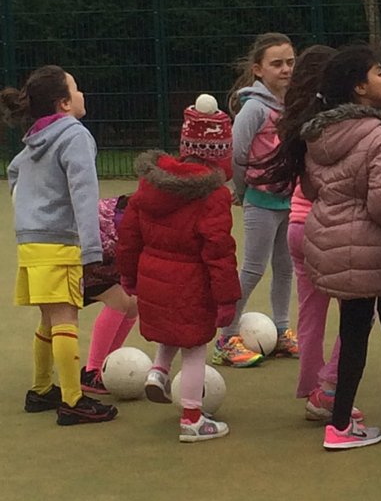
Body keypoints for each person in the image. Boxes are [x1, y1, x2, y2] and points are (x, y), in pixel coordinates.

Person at [299, 45, 381, 451]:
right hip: (358, 240)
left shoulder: (318, 134)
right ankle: (339, 426)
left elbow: (310, 188)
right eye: (378, 72)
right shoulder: (378, 136)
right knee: (354, 331)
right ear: (359, 88)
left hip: (328, 237)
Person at [117, 99, 241, 443]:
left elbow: (129, 233)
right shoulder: (213, 195)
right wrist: (227, 298)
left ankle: (157, 372)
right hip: (191, 281)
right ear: (220, 154)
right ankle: (192, 418)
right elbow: (218, 249)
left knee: (174, 330)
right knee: (196, 347)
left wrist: (128, 275)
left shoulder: (153, 183)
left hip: (152, 275)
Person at [2, 65, 117, 424]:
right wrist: (92, 248)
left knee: (49, 318)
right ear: (64, 103)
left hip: (31, 243)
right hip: (58, 243)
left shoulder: (36, 136)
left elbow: (15, 171)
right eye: (77, 89)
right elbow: (84, 194)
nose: (83, 95)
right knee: (66, 317)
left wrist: (27, 209)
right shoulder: (74, 135)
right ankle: (72, 400)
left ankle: (40, 390)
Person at [261, 43, 358, 425]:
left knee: (311, 311)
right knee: (357, 314)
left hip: (297, 228)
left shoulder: (295, 119)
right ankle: (329, 387)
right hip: (327, 228)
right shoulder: (337, 124)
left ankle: (311, 387)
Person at [213, 32, 298, 368]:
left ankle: (281, 331)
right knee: (251, 268)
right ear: (258, 70)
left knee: (285, 267)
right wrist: (242, 188)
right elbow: (237, 152)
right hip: (260, 201)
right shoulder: (253, 108)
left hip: (288, 200)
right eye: (276, 64)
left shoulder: (292, 104)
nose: (286, 69)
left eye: (290, 62)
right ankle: (226, 337)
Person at [79, 193, 139, 396]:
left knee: (133, 303)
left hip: (104, 269)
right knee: (119, 301)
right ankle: (92, 372)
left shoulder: (139, 212)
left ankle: (109, 366)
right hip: (81, 267)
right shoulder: (127, 219)